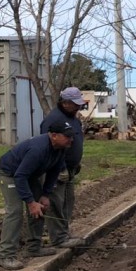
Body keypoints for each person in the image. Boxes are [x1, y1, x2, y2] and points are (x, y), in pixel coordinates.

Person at [0, 122, 74, 269]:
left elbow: (53, 172)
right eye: (67, 136)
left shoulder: (60, 148)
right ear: (54, 136)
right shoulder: (38, 149)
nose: (71, 140)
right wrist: (31, 203)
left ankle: (33, 247)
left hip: (29, 175)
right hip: (9, 174)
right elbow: (19, 176)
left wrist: (45, 194)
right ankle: (5, 255)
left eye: (72, 136)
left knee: (41, 205)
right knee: (15, 211)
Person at [39, 86, 87, 249]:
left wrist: (75, 161)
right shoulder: (54, 120)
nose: (78, 107)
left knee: (67, 202)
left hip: (70, 168)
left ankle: (64, 234)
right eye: (75, 104)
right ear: (65, 103)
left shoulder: (74, 118)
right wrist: (59, 168)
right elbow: (48, 145)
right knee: (56, 203)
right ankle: (58, 238)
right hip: (57, 170)